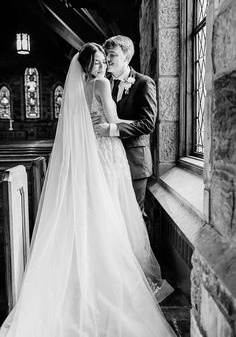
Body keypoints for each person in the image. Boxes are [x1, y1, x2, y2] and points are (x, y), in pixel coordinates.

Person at [0, 43, 175, 337]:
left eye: (104, 60)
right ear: (89, 65)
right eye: (98, 62)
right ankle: (112, 280)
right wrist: (117, 125)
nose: (102, 65)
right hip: (108, 152)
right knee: (115, 217)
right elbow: (115, 121)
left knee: (93, 214)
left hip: (87, 155)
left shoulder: (76, 86)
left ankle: (84, 277)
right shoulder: (103, 83)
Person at [96, 35, 156, 217]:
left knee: (134, 216)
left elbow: (148, 123)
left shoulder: (143, 83)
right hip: (110, 159)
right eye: (106, 53)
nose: (107, 58)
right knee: (114, 217)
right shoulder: (104, 83)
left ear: (126, 57)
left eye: (112, 54)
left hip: (134, 161)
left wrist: (113, 130)